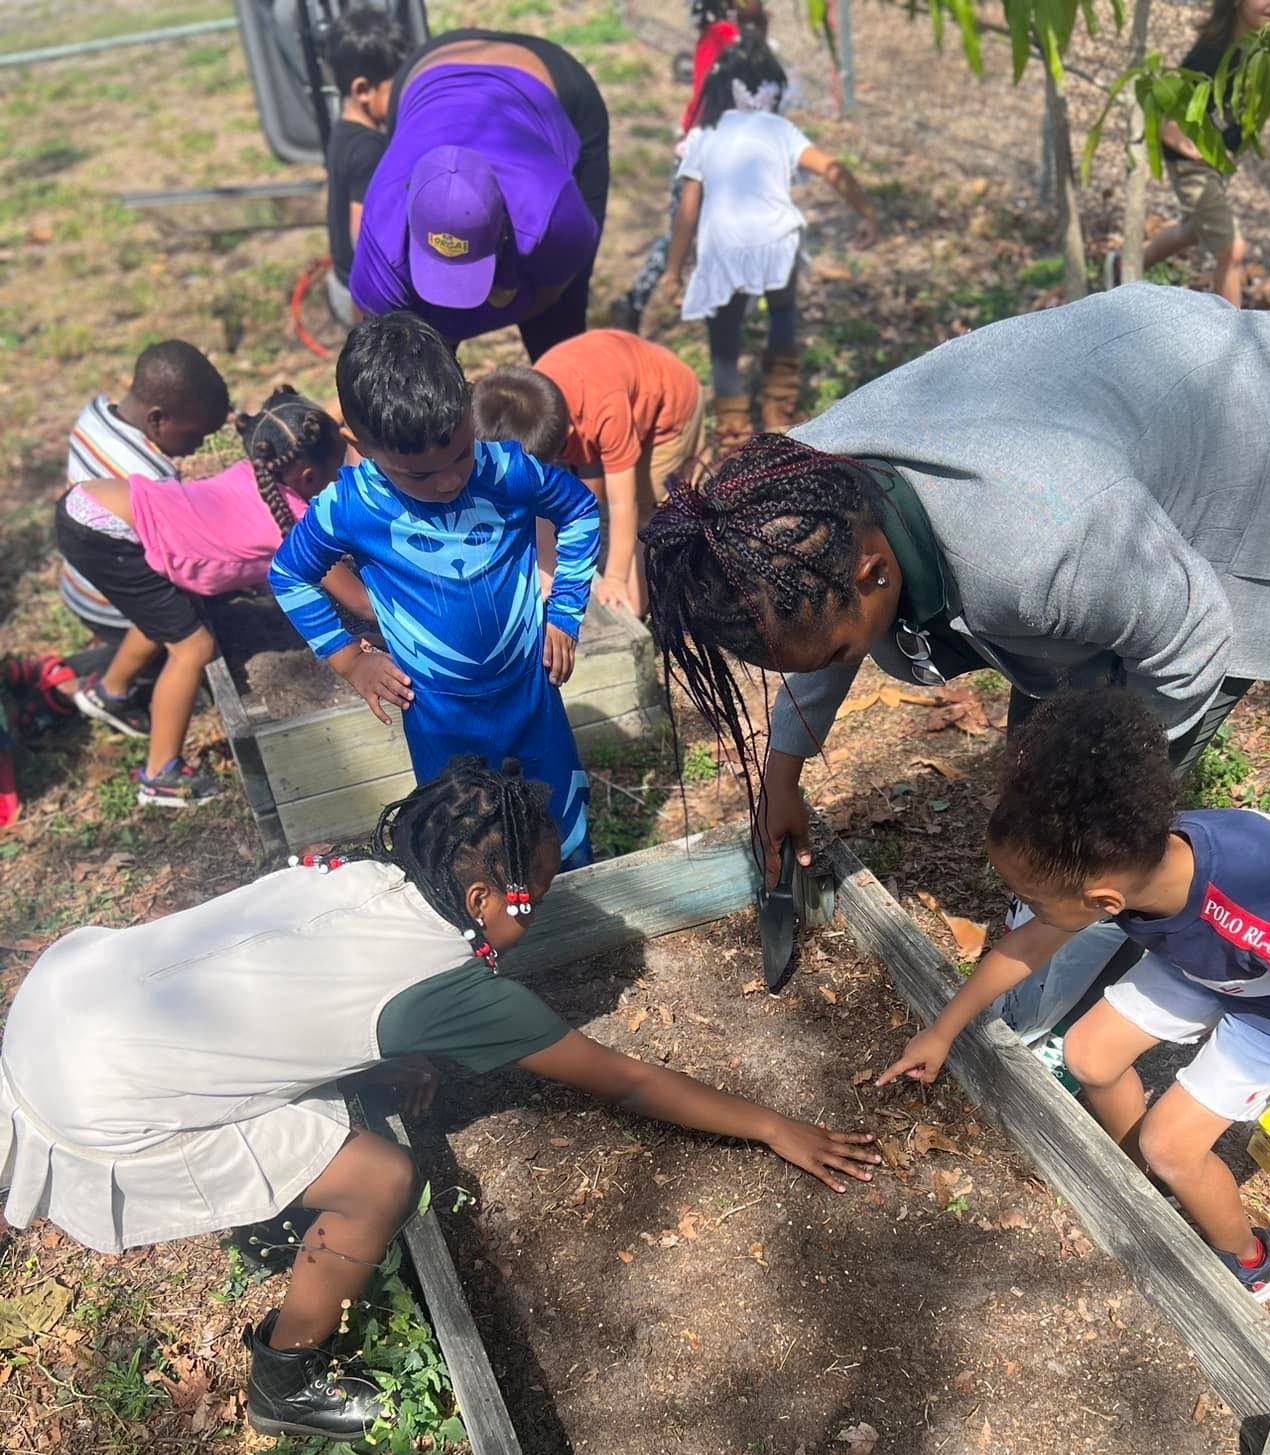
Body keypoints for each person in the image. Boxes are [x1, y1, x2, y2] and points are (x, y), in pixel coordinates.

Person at [0, 758, 880, 1442]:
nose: (544, 905)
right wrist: (774, 1125)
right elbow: (627, 1079)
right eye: (537, 893)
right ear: (481, 899)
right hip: (95, 1098)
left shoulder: (359, 875)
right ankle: (287, 1380)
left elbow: (284, 991)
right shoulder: (450, 991)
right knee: (381, 1178)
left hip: (63, 1001)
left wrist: (375, 1071)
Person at [641, 287, 1270, 1038]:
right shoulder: (790, 515)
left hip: (1247, 431)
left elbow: (1191, 640)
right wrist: (781, 782)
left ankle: (1042, 1018)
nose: (836, 661)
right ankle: (1046, 927)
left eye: (840, 650)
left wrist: (1089, 819)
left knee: (1093, 841)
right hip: (1109, 422)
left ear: (873, 572)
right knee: (1053, 735)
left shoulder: (1042, 553)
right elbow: (813, 636)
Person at [878, 691, 1270, 1304]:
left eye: (1034, 901)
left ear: (1103, 904)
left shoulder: (1247, 909)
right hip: (1205, 954)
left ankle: (1250, 1257)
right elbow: (1029, 945)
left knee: (1173, 1144)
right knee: (1090, 1055)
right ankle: (1148, 1179)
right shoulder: (1131, 863)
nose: (1027, 914)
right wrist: (944, 1028)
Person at [269, 313, 602, 867]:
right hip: (437, 716)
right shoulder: (348, 509)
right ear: (360, 444)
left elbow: (582, 512)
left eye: (459, 456)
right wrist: (352, 660)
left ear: (469, 410)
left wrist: (564, 613)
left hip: (532, 693)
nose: (448, 481)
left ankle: (576, 921)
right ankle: (492, 936)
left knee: (560, 825)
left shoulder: (507, 470)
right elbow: (289, 575)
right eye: (420, 476)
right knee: (464, 840)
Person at [53, 388, 366, 809]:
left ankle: (110, 691)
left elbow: (313, 425)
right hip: (108, 532)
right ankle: (159, 776)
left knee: (175, 611)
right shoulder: (293, 521)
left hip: (96, 505)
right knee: (193, 646)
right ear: (309, 479)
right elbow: (362, 603)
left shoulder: (264, 465)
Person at [648, 34, 876, 453]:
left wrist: (672, 270)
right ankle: (779, 411)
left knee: (725, 336)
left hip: (724, 249)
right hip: (778, 240)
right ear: (770, 90)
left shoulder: (704, 136)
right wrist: (867, 212)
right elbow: (831, 167)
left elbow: (688, 211)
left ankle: (734, 430)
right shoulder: (780, 129)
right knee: (784, 314)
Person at [348, 27, 608, 357]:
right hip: (427, 72)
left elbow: (558, 283)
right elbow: (367, 345)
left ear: (502, 230)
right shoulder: (383, 232)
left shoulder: (550, 214)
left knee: (557, 336)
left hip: (550, 80)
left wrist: (459, 325)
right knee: (416, 355)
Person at [472, 333, 704, 614]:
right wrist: (547, 573)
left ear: (569, 434)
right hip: (609, 391)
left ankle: (638, 611)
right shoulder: (532, 403)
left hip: (667, 411)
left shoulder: (606, 413)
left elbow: (622, 504)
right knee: (576, 502)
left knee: (647, 514)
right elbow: (537, 498)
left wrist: (615, 579)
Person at [1119, 0, 1270, 308]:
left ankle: (1121, 265)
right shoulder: (1210, 51)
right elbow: (1168, 125)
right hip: (1190, 157)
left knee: (1195, 229)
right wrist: (1204, 154)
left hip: (1221, 156)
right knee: (1231, 250)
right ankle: (1230, 341)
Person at [59, 340, 230, 644]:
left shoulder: (92, 416)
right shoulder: (152, 479)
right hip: (120, 611)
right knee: (204, 635)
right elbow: (182, 558)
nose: (199, 445)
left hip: (78, 586)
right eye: (195, 435)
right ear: (157, 419)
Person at [611, 0, 768, 331]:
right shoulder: (727, 35)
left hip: (702, 145)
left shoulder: (714, 34)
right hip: (707, 148)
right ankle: (648, 299)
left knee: (685, 229)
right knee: (687, 227)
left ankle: (644, 299)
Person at [324, 6, 412, 328]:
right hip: (364, 296)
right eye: (396, 86)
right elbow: (363, 235)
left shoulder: (344, 132)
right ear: (362, 90)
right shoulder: (368, 149)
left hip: (341, 280)